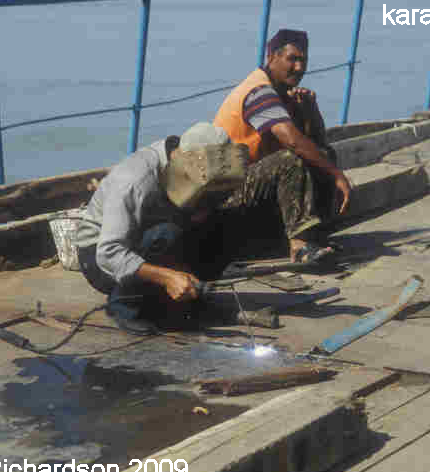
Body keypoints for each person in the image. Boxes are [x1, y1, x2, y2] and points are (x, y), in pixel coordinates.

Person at [73, 122, 248, 336]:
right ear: (181, 159)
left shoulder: (180, 160)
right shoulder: (134, 180)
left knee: (220, 225)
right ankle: (124, 307)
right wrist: (167, 277)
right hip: (99, 257)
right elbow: (108, 254)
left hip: (145, 236)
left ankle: (184, 298)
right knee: (167, 233)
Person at [214, 28, 352, 263]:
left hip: (255, 186)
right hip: (225, 194)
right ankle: (299, 247)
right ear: (271, 57)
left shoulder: (282, 94)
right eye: (292, 59)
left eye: (303, 60)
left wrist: (309, 112)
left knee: (322, 154)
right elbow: (292, 141)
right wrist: (338, 175)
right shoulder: (259, 91)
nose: (299, 68)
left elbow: (316, 145)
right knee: (291, 159)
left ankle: (313, 236)